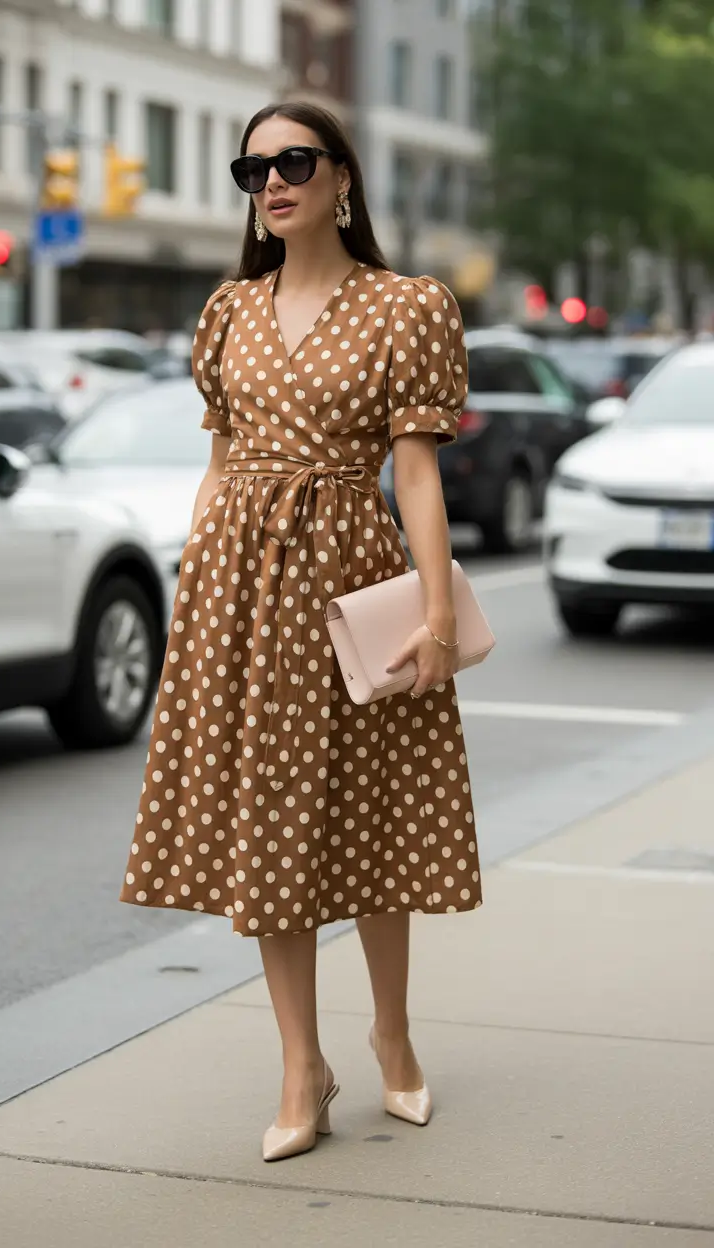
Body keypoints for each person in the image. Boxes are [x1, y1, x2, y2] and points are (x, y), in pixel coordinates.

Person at [120, 102, 481, 1162]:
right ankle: (300, 1066)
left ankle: (392, 1035)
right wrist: (200, 579)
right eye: (253, 168)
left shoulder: (405, 306)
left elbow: (414, 472)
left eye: (293, 161)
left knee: (368, 813)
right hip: (238, 591)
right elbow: (222, 462)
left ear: (341, 178)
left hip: (350, 580)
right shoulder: (228, 310)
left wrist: (437, 612)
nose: (271, 181)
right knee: (269, 831)